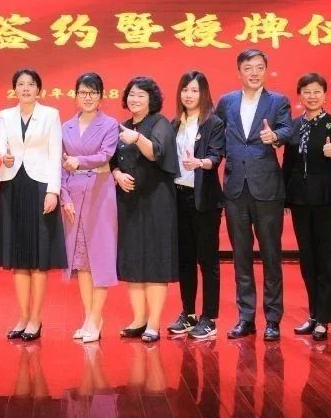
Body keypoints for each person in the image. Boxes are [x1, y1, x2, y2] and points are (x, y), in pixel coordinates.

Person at [214, 49, 293, 341]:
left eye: (260, 67)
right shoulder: (227, 101)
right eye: (249, 68)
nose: (255, 73)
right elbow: (216, 135)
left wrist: (276, 137)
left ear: (266, 70)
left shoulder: (278, 101)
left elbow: (288, 128)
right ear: (239, 72)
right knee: (241, 256)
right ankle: (245, 317)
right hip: (235, 188)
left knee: (271, 256)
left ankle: (273, 319)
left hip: (267, 189)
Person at [0, 68, 64, 341]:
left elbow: (55, 153)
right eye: (20, 84)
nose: (25, 88)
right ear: (14, 89)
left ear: (39, 89)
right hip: (13, 185)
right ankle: (22, 316)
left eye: (31, 84)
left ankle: (36, 318)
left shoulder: (51, 114)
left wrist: (53, 191)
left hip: (40, 186)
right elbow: (0, 140)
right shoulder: (5, 115)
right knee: (19, 257)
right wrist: (3, 155)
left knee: (38, 258)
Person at [113, 76, 179, 343]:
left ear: (152, 99)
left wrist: (138, 138)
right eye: (131, 94)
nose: (135, 99)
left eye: (141, 95)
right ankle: (139, 319)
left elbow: (155, 153)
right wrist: (117, 175)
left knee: (154, 260)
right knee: (133, 259)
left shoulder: (160, 123)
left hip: (156, 201)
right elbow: (112, 161)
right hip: (130, 202)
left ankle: (153, 323)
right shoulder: (124, 125)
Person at [283, 73, 331, 342]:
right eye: (307, 92)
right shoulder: (294, 126)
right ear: (300, 95)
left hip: (327, 199)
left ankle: (323, 319)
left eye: (317, 91)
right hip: (300, 199)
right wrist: (285, 197)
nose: (312, 96)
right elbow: (288, 163)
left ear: (325, 94)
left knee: (324, 260)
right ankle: (313, 314)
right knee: (307, 260)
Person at [59, 72, 119, 344]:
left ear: (101, 96)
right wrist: (65, 198)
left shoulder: (110, 124)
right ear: (75, 96)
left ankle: (96, 319)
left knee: (100, 259)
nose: (88, 97)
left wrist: (79, 161)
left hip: (99, 193)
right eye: (83, 92)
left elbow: (105, 155)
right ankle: (88, 318)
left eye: (93, 92)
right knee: (81, 262)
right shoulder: (66, 127)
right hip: (73, 195)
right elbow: (59, 165)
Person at [168, 70, 225, 341]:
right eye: (185, 90)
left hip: (204, 200)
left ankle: (209, 318)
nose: (189, 95)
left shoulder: (213, 122)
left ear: (203, 93)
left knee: (208, 260)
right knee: (185, 259)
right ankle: (188, 314)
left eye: (194, 90)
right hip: (178, 197)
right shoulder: (174, 124)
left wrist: (200, 163)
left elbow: (216, 156)